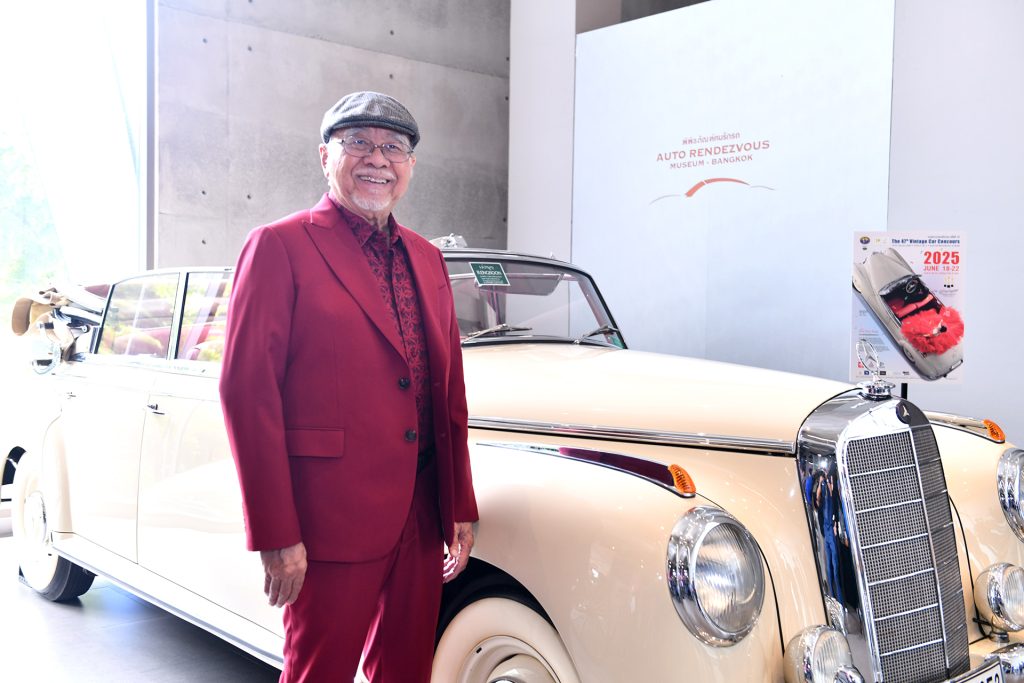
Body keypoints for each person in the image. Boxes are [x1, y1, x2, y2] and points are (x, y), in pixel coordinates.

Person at [219, 91, 479, 682]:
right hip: (327, 520)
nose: (377, 159)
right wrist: (276, 532)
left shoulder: (427, 258)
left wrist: (458, 502)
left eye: (394, 147)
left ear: (410, 166)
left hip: (422, 513)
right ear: (325, 157)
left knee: (406, 671)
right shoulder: (279, 246)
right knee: (320, 672)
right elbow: (247, 395)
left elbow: (450, 392)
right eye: (358, 142)